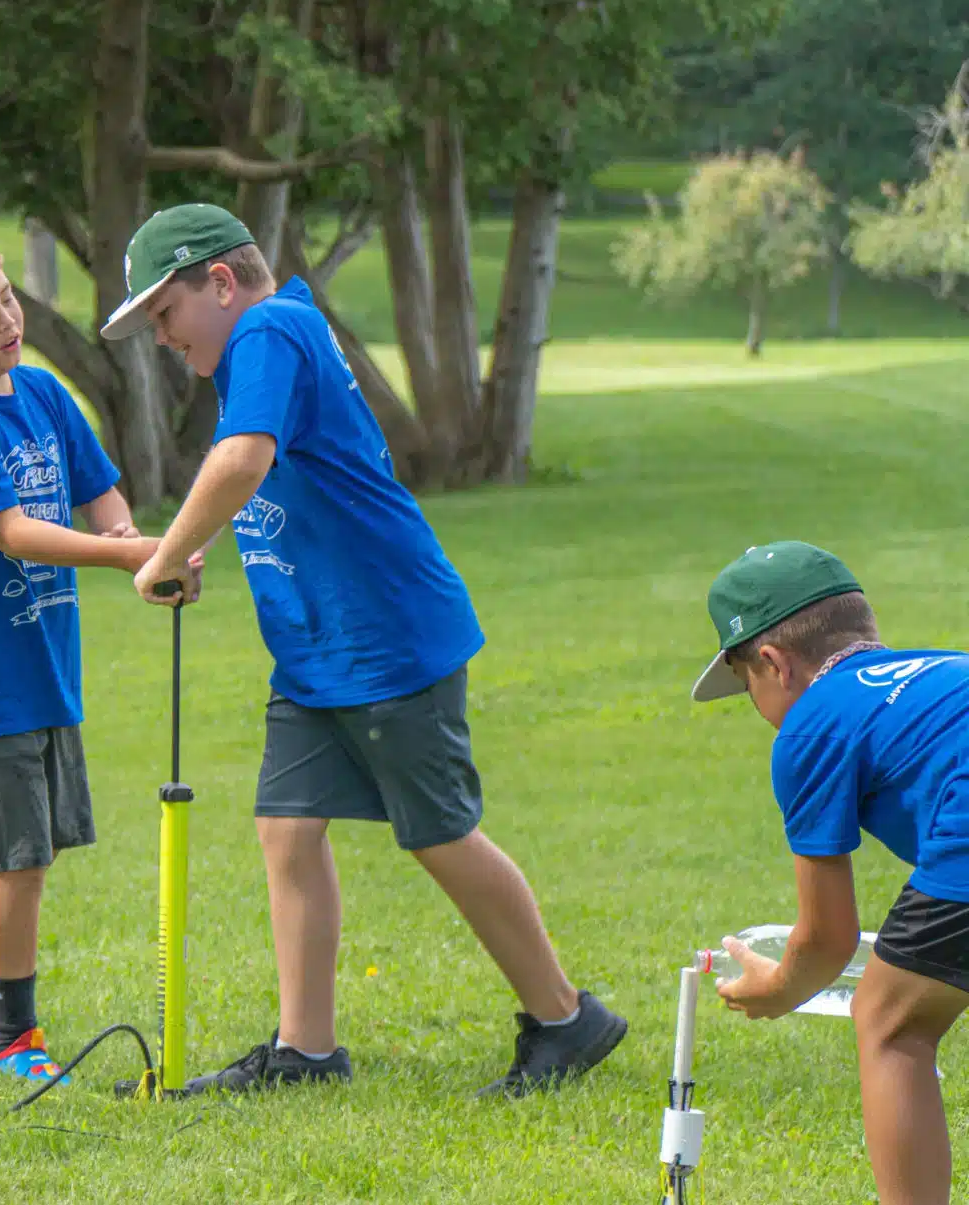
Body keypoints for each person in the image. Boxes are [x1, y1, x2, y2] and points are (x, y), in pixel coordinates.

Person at [102, 202, 625, 1096]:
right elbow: (270, 477)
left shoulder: (269, 329)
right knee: (288, 827)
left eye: (164, 313)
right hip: (317, 646)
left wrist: (158, 555)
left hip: (385, 638)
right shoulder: (275, 335)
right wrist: (195, 546)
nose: (160, 336)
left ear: (219, 282)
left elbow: (242, 462)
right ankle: (306, 1051)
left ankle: (566, 1018)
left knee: (440, 834)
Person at [0, 227, 185, 1082]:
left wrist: (138, 546)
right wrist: (137, 555)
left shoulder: (44, 394)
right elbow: (14, 533)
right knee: (16, 858)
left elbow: (101, 494)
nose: (7, 321)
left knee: (26, 853)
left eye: (9, 299)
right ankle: (13, 1039)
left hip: (41, 666)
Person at [693, 541, 969, 1205]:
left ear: (772, 663)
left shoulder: (811, 724)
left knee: (891, 1018)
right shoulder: (940, 667)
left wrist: (778, 988)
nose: (759, 708)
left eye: (747, 687)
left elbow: (827, 940)